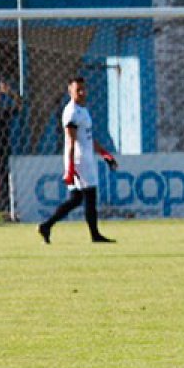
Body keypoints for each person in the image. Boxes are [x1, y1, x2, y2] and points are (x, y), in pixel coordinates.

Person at [37, 77, 118, 244]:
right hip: (79, 160)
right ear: (70, 92)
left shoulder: (83, 110)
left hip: (84, 158)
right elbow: (70, 142)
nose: (81, 93)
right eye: (77, 90)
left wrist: (105, 154)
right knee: (90, 196)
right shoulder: (72, 112)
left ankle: (46, 225)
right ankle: (95, 235)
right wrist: (71, 168)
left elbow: (88, 138)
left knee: (76, 199)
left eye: (83, 89)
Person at [0, 79, 21, 213]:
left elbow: (20, 105)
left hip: (1, 151)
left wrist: (10, 93)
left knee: (4, 179)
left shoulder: (2, 113)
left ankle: (4, 209)